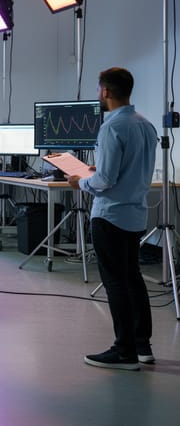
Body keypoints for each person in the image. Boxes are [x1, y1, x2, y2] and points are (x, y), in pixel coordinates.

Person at [68, 67, 157, 371]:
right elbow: (127, 170)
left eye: (98, 89)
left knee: (115, 282)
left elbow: (105, 179)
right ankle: (142, 345)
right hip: (135, 215)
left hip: (110, 215)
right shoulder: (145, 125)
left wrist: (80, 182)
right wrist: (99, 172)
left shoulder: (111, 127)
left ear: (105, 91)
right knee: (133, 278)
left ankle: (124, 352)